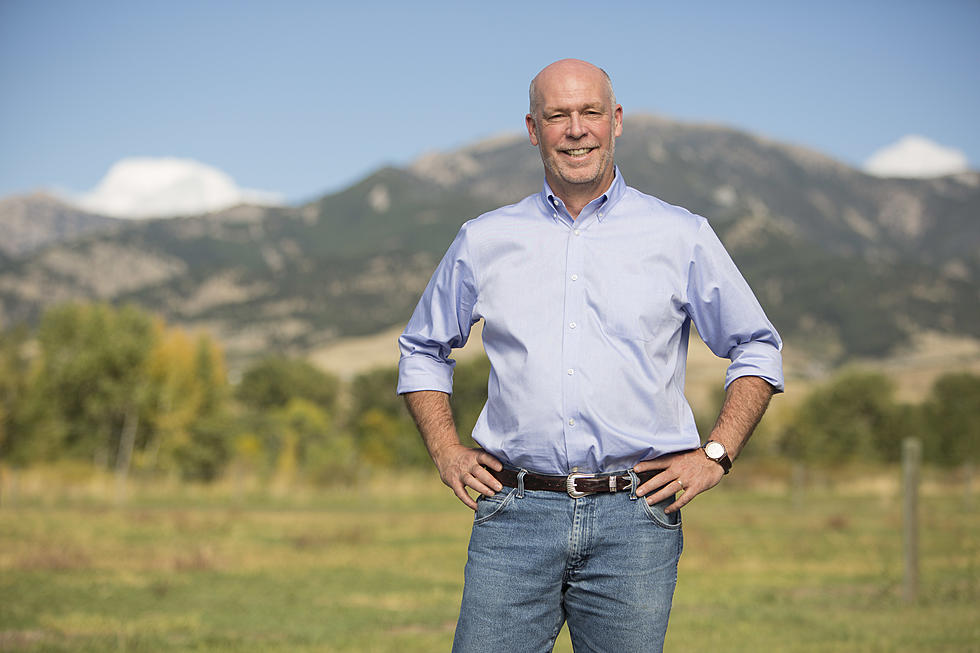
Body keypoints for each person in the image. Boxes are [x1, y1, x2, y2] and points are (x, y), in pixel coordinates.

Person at [396, 58, 784, 652]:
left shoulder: (682, 235)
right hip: (514, 514)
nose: (576, 129)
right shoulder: (484, 239)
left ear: (616, 120)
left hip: (637, 517)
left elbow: (755, 345)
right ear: (533, 129)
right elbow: (423, 348)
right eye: (557, 115)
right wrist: (446, 450)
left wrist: (716, 454)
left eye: (590, 113)